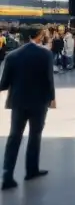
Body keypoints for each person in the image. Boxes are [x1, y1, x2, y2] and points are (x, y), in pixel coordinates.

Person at [0, 25, 55, 191]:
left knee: (14, 137)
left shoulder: (12, 56)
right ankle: (31, 170)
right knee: (35, 135)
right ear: (38, 35)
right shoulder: (45, 54)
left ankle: (7, 175)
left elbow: (3, 84)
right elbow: (49, 79)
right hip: (39, 102)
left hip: (18, 102)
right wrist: (52, 98)